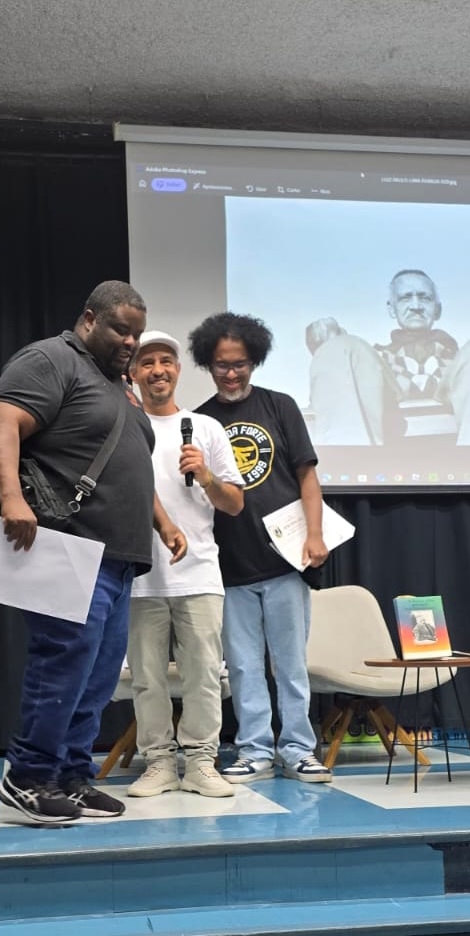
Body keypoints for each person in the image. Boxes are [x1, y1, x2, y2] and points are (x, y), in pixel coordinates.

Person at [0, 281, 188, 823]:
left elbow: (130, 463)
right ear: (90, 319)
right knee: (64, 664)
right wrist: (11, 498)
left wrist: (164, 522)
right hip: (68, 545)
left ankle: (71, 777)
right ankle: (28, 778)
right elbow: (1, 421)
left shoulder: (118, 385)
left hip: (119, 557)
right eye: (122, 329)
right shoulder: (51, 359)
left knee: (97, 676)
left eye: (137, 333)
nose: (131, 342)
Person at [189, 312, 333, 784]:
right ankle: (253, 750)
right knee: (244, 667)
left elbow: (307, 475)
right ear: (207, 365)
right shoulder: (201, 420)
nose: (231, 373)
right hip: (228, 565)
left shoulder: (280, 406)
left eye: (240, 364)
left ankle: (298, 749)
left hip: (286, 561)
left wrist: (315, 534)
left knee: (291, 665)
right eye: (222, 365)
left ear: (255, 361)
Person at [125, 330, 245, 799]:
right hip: (140, 575)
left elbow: (234, 504)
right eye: (147, 362)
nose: (158, 370)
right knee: (147, 680)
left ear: (177, 370)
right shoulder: (124, 426)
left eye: (166, 361)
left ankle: (200, 763)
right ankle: (157, 763)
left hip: (199, 573)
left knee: (204, 677)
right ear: (132, 373)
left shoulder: (207, 428)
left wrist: (206, 474)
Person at [305, 270, 470, 446]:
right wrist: (327, 343)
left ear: (437, 309)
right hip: (386, 403)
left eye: (425, 298)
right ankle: (350, 478)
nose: (416, 306)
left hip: (464, 418)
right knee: (340, 346)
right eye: (405, 298)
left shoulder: (465, 359)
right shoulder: (374, 358)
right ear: (391, 308)